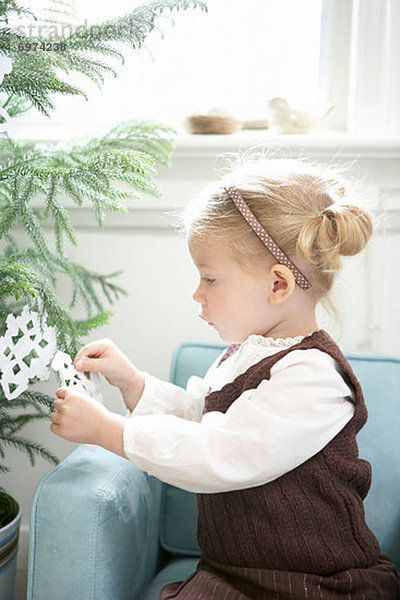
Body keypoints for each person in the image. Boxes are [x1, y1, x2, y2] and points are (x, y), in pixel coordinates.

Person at [50, 157, 400, 599]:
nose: (197, 294)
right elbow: (202, 417)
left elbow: (221, 453)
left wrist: (108, 431)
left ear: (278, 285)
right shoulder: (243, 355)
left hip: (316, 584)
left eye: (210, 279)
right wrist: (134, 383)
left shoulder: (314, 378)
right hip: (234, 573)